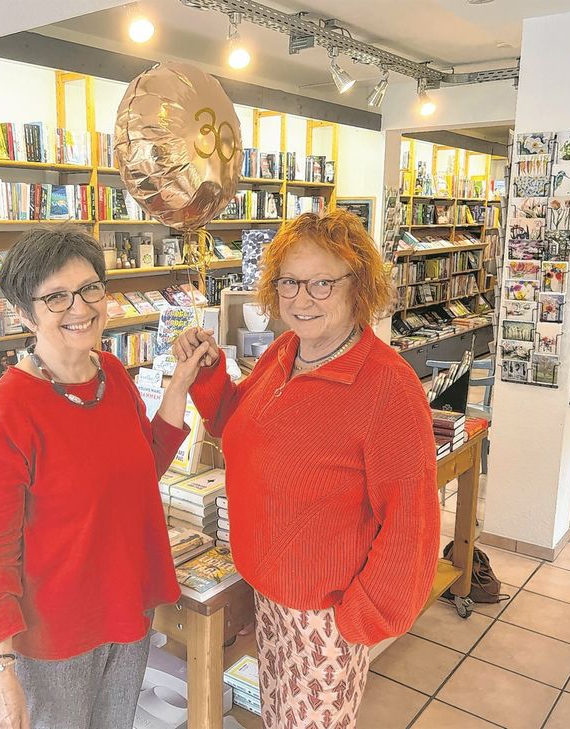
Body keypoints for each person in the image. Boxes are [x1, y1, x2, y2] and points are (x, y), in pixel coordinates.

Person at [174, 209, 440, 727]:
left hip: (324, 613)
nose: (301, 298)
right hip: (271, 593)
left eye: (322, 283)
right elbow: (238, 425)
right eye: (290, 282)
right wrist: (209, 374)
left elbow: (412, 524)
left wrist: (357, 618)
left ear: (357, 286)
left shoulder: (388, 386)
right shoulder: (286, 350)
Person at [0, 226, 210, 729]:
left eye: (89, 288)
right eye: (55, 297)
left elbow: (142, 470)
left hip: (127, 609)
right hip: (56, 634)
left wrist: (179, 383)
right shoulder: (6, 414)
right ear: (22, 313)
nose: (80, 308)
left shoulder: (113, 375)